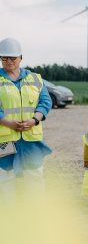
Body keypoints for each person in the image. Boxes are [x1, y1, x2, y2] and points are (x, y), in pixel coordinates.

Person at [0, 38, 52, 202]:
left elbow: (45, 102)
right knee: (5, 176)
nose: (8, 62)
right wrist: (9, 123)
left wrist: (34, 120)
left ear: (21, 58)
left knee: (34, 174)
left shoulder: (35, 78)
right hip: (5, 139)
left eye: (12, 58)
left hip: (31, 138)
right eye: (4, 58)